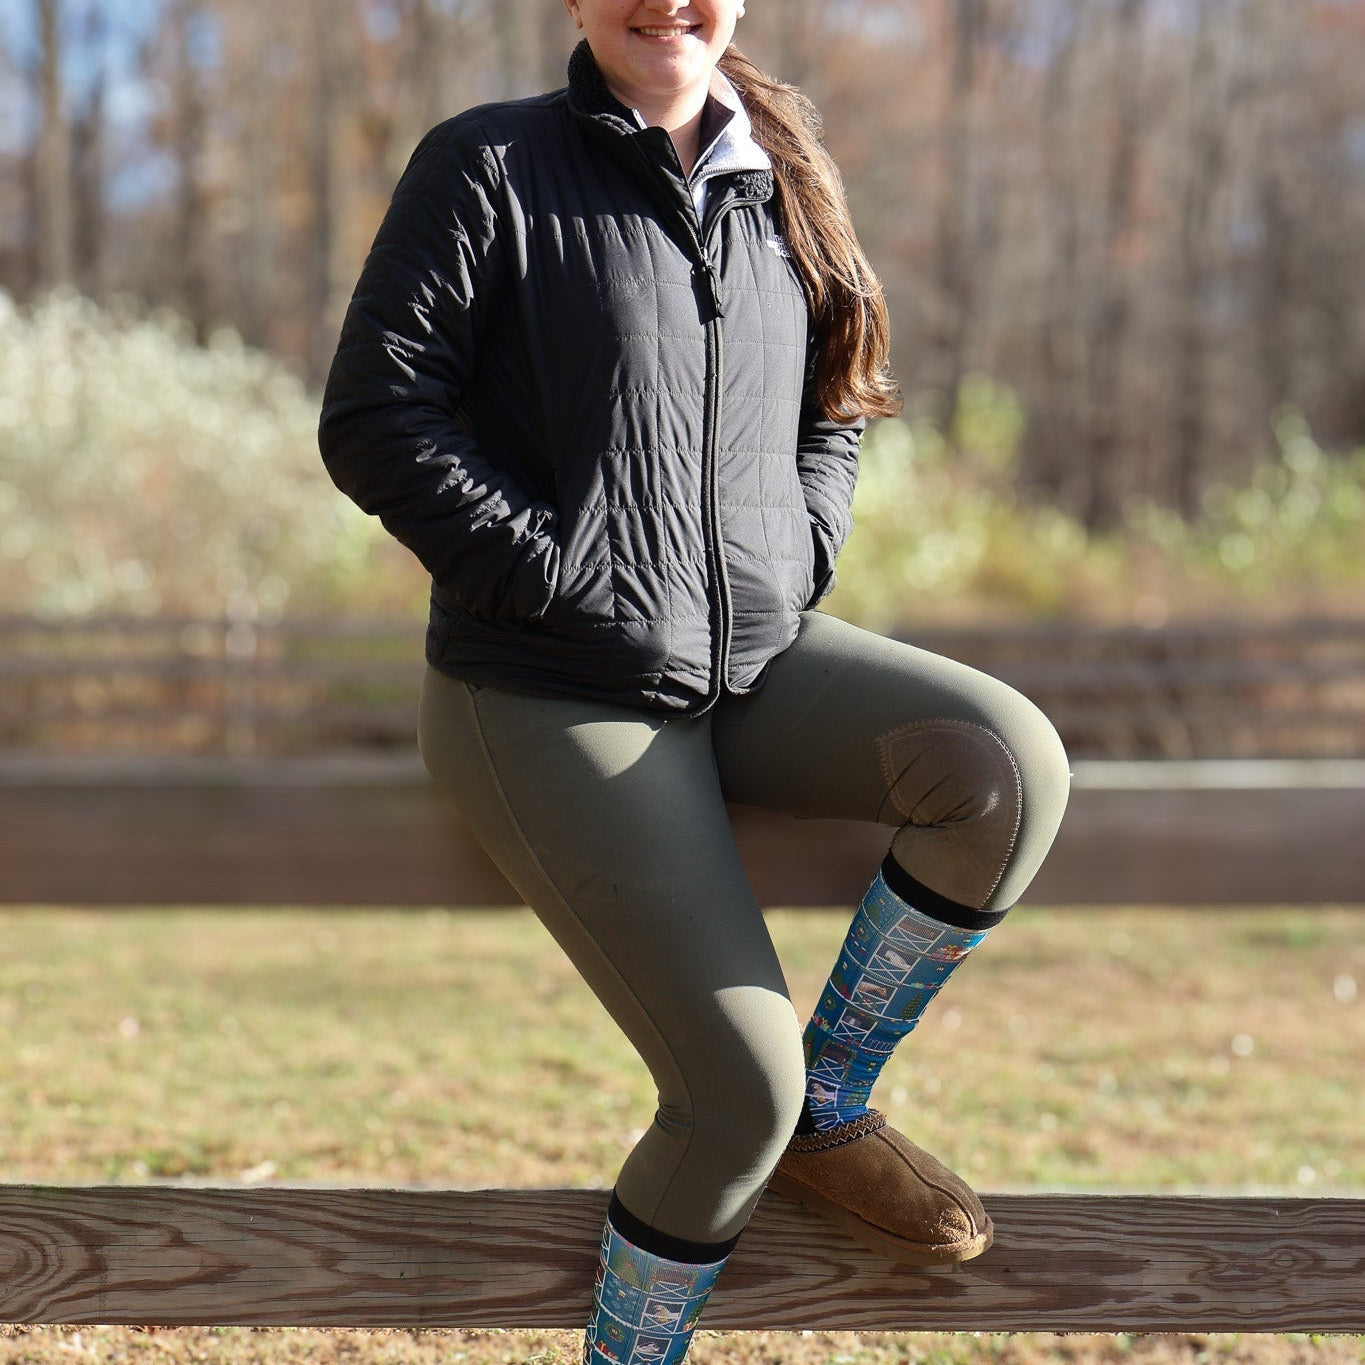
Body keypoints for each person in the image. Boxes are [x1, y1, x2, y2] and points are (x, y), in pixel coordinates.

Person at [319, 3, 1070, 1361]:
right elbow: (376, 412)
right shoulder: (488, 166)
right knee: (733, 1092)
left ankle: (831, 1104)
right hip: (544, 682)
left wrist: (798, 553)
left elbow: (838, 398)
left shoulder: (783, 170)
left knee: (1004, 761)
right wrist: (556, 575)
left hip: (748, 657)